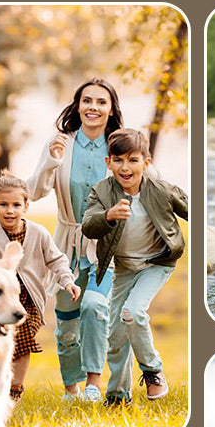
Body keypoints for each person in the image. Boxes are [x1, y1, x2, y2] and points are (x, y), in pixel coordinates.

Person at [26, 78, 124, 403]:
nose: (93, 107)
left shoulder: (120, 146)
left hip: (107, 247)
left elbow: (151, 185)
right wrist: (51, 161)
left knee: (96, 306)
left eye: (101, 102)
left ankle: (94, 386)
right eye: (87, 101)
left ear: (111, 110)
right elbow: (34, 192)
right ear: (77, 105)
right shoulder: (61, 143)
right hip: (65, 244)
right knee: (67, 324)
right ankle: (72, 390)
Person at [82, 128, 188, 405]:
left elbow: (194, 209)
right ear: (108, 163)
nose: (125, 167)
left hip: (158, 263)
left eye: (133, 160)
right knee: (116, 334)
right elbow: (88, 225)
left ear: (146, 162)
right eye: (118, 160)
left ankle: (153, 371)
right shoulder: (102, 191)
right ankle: (118, 396)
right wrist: (108, 215)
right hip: (125, 268)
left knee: (132, 312)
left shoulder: (161, 190)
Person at [0, 171, 80, 402]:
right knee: (1, 344)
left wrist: (68, 281)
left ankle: (15, 389)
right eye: (3, 204)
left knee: (22, 343)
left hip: (29, 301)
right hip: (0, 302)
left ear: (26, 206)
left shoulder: (38, 233)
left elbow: (57, 260)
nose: (10, 210)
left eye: (16, 204)